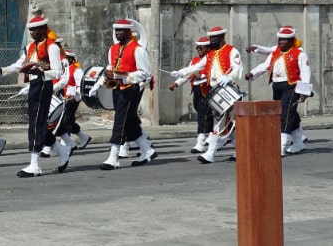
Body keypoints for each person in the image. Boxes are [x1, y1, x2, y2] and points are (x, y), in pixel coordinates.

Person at [0, 16, 69, 177]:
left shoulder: (52, 47)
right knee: (38, 123)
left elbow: (58, 71)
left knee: (36, 123)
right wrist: (2, 71)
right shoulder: (30, 47)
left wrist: (41, 72)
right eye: (30, 30)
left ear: (42, 29)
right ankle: (62, 150)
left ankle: (35, 164)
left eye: (34, 30)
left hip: (44, 84)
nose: (32, 33)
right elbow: (19, 64)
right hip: (34, 85)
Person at [170, 26, 244, 164]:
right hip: (213, 91)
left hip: (227, 91)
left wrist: (229, 77)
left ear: (222, 38)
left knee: (220, 124)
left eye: (214, 38)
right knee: (226, 124)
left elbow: (238, 68)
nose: (212, 41)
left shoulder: (231, 51)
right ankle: (242, 150)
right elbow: (196, 67)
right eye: (211, 38)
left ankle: (210, 153)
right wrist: (181, 72)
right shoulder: (209, 54)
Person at [97, 19, 158, 170]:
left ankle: (114, 157)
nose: (117, 33)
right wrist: (106, 75)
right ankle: (147, 150)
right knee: (129, 121)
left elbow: (145, 73)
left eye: (120, 31)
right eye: (116, 30)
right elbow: (112, 66)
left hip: (130, 88)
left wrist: (123, 77)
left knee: (120, 121)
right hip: (117, 88)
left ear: (128, 32)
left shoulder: (138, 50)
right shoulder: (113, 49)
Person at [245, 26, 312, 155]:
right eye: (280, 39)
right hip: (277, 86)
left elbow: (305, 73)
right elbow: (266, 65)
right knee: (285, 113)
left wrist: (304, 92)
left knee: (285, 114)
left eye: (284, 40)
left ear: (291, 41)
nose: (281, 42)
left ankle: (280, 146)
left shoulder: (299, 54)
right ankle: (298, 142)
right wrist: (252, 73)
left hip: (292, 86)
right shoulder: (275, 52)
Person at [169, 37, 214, 154]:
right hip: (196, 90)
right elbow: (188, 74)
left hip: (207, 89)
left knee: (203, 116)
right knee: (201, 113)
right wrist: (176, 83)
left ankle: (201, 142)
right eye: (197, 48)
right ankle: (211, 137)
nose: (199, 50)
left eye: (201, 48)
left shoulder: (212, 59)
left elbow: (213, 73)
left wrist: (201, 76)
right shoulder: (194, 61)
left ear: (208, 48)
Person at [49, 50, 94, 153]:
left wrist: (75, 96)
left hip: (72, 98)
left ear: (70, 59)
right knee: (68, 120)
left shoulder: (77, 70)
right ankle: (84, 137)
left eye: (65, 58)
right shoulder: (65, 70)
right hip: (64, 98)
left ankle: (67, 144)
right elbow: (61, 83)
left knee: (65, 121)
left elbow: (81, 86)